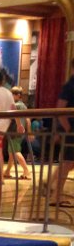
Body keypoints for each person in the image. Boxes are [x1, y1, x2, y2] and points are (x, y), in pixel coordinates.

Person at [48, 58, 74, 208]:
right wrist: (68, 129)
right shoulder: (70, 85)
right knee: (67, 163)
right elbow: (60, 109)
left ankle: (52, 188)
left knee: (68, 163)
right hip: (71, 131)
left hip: (70, 130)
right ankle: (55, 196)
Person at [2, 86, 32, 180]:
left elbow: (15, 116)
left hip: (13, 131)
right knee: (12, 153)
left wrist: (19, 125)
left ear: (18, 95)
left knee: (15, 152)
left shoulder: (15, 105)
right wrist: (29, 131)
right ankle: (7, 171)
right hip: (19, 132)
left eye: (12, 95)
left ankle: (26, 170)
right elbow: (27, 120)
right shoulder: (24, 106)